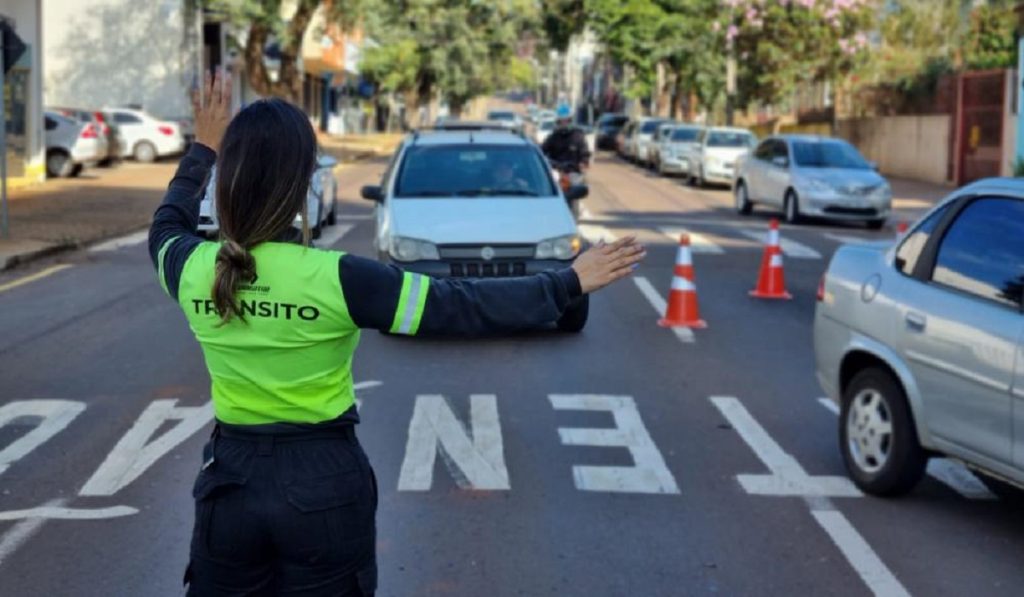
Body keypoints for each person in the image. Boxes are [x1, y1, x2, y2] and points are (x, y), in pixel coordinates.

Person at [148, 71, 646, 596]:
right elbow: (464, 306)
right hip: (324, 484)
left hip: (229, 489)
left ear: (227, 180)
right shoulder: (341, 279)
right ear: (301, 188)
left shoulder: (189, 267)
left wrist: (203, 147)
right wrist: (567, 282)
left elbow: (166, 223)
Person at [541, 103, 591, 173]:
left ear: (570, 120)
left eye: (566, 121)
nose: (564, 124)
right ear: (558, 121)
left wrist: (583, 162)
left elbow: (585, 153)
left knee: (578, 182)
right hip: (556, 171)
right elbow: (542, 150)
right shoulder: (553, 137)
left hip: (573, 172)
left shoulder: (578, 136)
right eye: (561, 121)